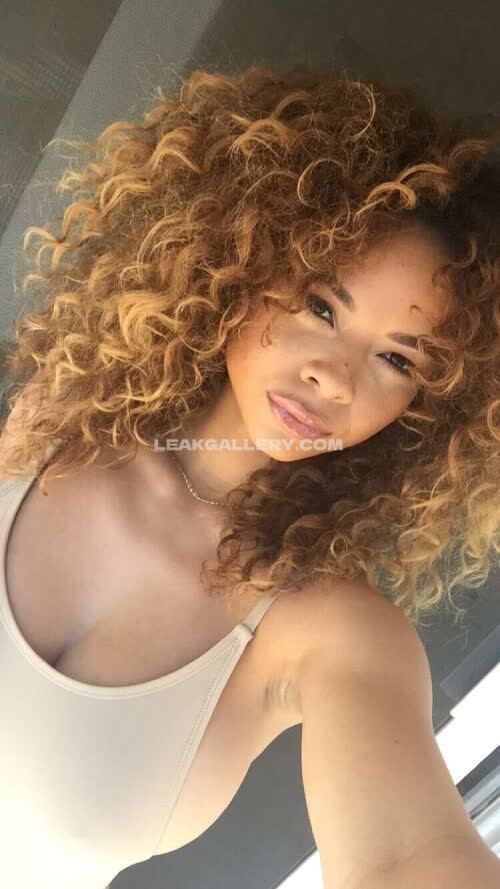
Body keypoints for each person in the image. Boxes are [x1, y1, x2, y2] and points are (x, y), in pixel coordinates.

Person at [0, 62, 499, 889]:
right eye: (322, 307)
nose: (334, 377)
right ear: (245, 258)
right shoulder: (56, 413)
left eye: (396, 359)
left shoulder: (328, 631)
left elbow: (407, 857)